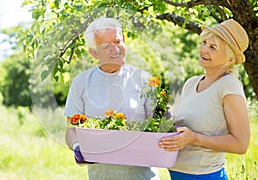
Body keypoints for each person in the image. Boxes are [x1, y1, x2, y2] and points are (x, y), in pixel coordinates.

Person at [64, 17, 159, 180]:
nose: (115, 50)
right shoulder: (81, 82)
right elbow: (71, 129)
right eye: (107, 46)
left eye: (117, 41)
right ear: (94, 52)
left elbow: (159, 125)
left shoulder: (144, 79)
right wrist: (77, 146)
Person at [159, 19, 251, 180]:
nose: (204, 50)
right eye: (204, 43)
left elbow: (241, 144)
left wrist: (194, 139)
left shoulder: (229, 86)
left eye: (213, 47)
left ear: (230, 60)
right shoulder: (191, 83)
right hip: (177, 174)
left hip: (203, 176)